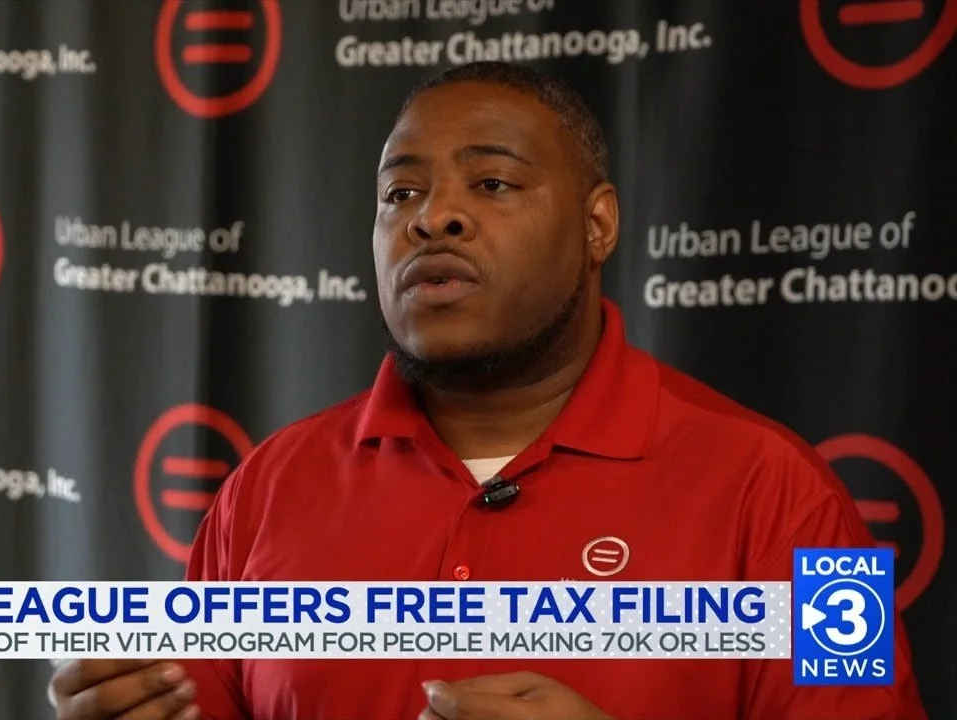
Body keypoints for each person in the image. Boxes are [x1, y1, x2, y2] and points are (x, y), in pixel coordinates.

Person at [50, 61, 928, 719]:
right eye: (401, 192)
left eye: (493, 182)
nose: (433, 216)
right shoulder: (264, 495)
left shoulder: (789, 500)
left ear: (597, 225)